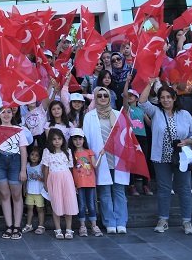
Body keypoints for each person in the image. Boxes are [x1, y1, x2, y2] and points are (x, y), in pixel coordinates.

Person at [138, 83, 192, 235]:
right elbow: (142, 102)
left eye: (168, 97)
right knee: (164, 189)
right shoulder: (156, 112)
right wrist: (150, 83)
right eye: (162, 97)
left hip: (181, 157)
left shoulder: (185, 114)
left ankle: (187, 221)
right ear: (159, 100)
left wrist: (187, 141)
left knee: (184, 189)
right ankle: (163, 220)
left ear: (174, 98)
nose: (165, 100)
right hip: (161, 157)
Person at [83, 86, 130, 234]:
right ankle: (109, 222)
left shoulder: (118, 114)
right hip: (100, 159)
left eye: (105, 95)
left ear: (110, 98)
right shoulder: (89, 116)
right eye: (99, 96)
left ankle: (121, 222)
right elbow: (86, 139)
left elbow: (126, 136)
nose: (103, 98)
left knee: (119, 191)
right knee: (104, 192)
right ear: (95, 98)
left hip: (118, 158)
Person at [0, 105, 28, 240]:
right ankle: (9, 226)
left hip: (15, 161)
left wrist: (23, 170)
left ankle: (17, 226)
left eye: (9, 112)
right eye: (3, 112)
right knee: (4, 194)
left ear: (13, 114)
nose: (6, 114)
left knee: (16, 194)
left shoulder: (18, 130)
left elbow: (23, 150)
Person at [42, 129, 78, 239]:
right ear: (50, 140)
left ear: (63, 140)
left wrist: (74, 182)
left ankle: (69, 229)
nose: (57, 141)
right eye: (54, 139)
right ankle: (58, 229)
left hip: (67, 179)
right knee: (56, 203)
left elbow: (71, 168)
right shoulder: (47, 151)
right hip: (54, 179)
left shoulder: (67, 151)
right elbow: (46, 168)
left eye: (59, 139)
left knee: (68, 203)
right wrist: (45, 182)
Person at [69, 128, 101, 237]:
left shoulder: (89, 152)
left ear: (84, 140)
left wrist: (101, 155)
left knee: (91, 205)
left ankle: (94, 225)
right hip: (79, 184)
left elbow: (95, 165)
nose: (78, 141)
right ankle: (82, 226)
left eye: (80, 139)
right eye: (75, 139)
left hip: (90, 182)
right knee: (81, 205)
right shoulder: (71, 154)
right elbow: (70, 170)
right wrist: (73, 184)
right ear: (72, 141)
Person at [22, 146, 45, 235]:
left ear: (40, 157)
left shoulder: (41, 166)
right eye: (32, 154)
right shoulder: (27, 165)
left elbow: (45, 178)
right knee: (29, 209)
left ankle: (41, 226)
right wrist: (24, 188)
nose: (34, 157)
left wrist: (39, 178)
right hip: (30, 191)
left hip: (39, 192)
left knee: (40, 209)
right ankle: (29, 225)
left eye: (36, 155)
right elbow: (25, 178)